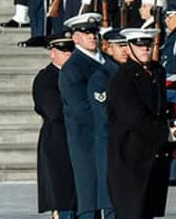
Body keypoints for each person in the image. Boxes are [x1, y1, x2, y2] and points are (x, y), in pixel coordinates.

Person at [106, 27, 173, 219]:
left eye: (148, 45)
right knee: (131, 213)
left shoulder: (157, 72)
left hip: (153, 155)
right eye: (139, 45)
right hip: (130, 157)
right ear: (128, 47)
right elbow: (134, 117)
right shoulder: (122, 79)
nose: (144, 49)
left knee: (147, 212)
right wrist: (165, 133)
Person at [58, 12, 109, 219]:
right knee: (90, 199)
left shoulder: (107, 63)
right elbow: (82, 110)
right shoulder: (73, 68)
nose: (91, 36)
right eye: (86, 32)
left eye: (94, 32)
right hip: (88, 141)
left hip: (107, 140)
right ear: (75, 37)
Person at [30, 29, 78, 218]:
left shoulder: (80, 75)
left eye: (71, 49)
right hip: (59, 145)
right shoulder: (46, 79)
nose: (68, 53)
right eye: (62, 49)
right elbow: (54, 112)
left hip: (80, 144)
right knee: (64, 202)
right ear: (52, 53)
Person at [89, 27, 129, 218]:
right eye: (120, 46)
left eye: (127, 45)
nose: (125, 50)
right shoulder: (102, 75)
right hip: (111, 144)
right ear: (106, 47)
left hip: (131, 146)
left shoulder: (131, 72)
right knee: (112, 202)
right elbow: (104, 115)